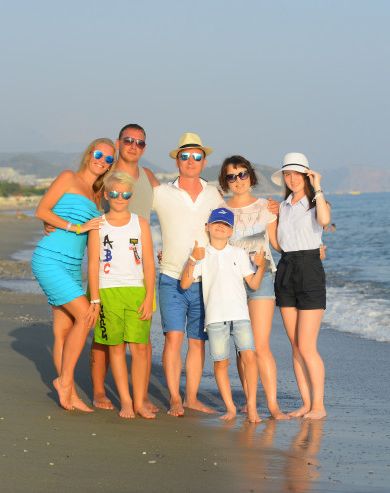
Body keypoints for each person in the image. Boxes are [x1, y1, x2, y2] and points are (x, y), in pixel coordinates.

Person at [31, 138, 114, 411]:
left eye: (109, 159)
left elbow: (94, 248)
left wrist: (96, 293)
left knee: (63, 331)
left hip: (73, 266)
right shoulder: (68, 177)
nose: (102, 160)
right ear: (90, 154)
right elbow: (42, 210)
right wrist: (76, 227)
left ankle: (70, 395)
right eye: (99, 154)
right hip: (50, 259)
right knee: (86, 316)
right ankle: (64, 382)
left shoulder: (97, 196)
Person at [89, 124, 160, 413]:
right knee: (106, 341)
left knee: (140, 344)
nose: (133, 145)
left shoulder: (149, 177)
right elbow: (83, 198)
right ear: (118, 143)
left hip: (136, 276)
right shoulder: (105, 174)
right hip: (107, 277)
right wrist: (57, 223)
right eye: (128, 140)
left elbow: (173, 202)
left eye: (139, 142)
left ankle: (140, 399)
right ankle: (100, 391)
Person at [152, 132, 223, 416]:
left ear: (204, 162)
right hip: (171, 277)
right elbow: (129, 211)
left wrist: (270, 208)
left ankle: (191, 397)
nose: (190, 161)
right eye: (185, 156)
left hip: (206, 280)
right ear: (177, 161)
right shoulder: (161, 193)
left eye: (196, 156)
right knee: (173, 338)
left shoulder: (214, 194)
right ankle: (174, 398)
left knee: (197, 341)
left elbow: (232, 226)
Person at [219, 155, 289, 420]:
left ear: (251, 176)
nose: (238, 180)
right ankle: (250, 402)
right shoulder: (220, 209)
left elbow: (278, 244)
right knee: (243, 347)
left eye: (242, 174)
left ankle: (272, 405)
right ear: (225, 181)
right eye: (231, 176)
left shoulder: (266, 207)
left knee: (260, 345)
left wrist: (311, 246)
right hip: (232, 283)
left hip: (263, 277)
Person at [179, 207, 265, 422]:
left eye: (225, 225)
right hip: (215, 319)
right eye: (217, 223)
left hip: (240, 316)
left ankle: (251, 406)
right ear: (208, 227)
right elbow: (185, 284)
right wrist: (192, 259)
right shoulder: (201, 254)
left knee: (249, 358)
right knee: (221, 363)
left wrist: (261, 266)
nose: (220, 227)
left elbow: (253, 284)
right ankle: (230, 408)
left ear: (231, 231)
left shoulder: (238, 253)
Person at [269, 152, 331, 420]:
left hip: (309, 269)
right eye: (287, 174)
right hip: (286, 268)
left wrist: (318, 186)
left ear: (306, 175)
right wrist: (270, 217)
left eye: (297, 173)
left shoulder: (316, 203)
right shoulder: (283, 207)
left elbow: (324, 221)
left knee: (307, 346)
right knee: (295, 346)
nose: (292, 179)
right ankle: (306, 403)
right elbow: (278, 245)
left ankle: (319, 405)